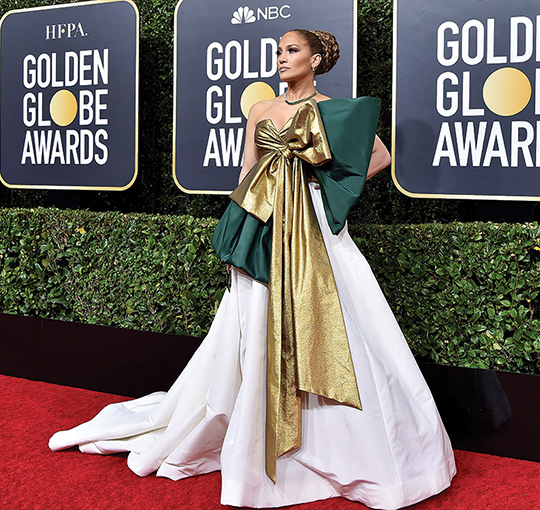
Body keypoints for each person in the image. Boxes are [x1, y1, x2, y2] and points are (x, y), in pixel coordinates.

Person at [49, 29, 456, 510]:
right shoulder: (260, 109)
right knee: (256, 330)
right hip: (264, 228)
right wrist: (238, 230)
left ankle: (347, 446)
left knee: (341, 325)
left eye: (292, 50)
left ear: (316, 59)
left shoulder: (334, 111)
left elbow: (379, 156)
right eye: (279, 51)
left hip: (316, 230)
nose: (281, 58)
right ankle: (259, 440)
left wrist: (323, 186)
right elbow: (247, 173)